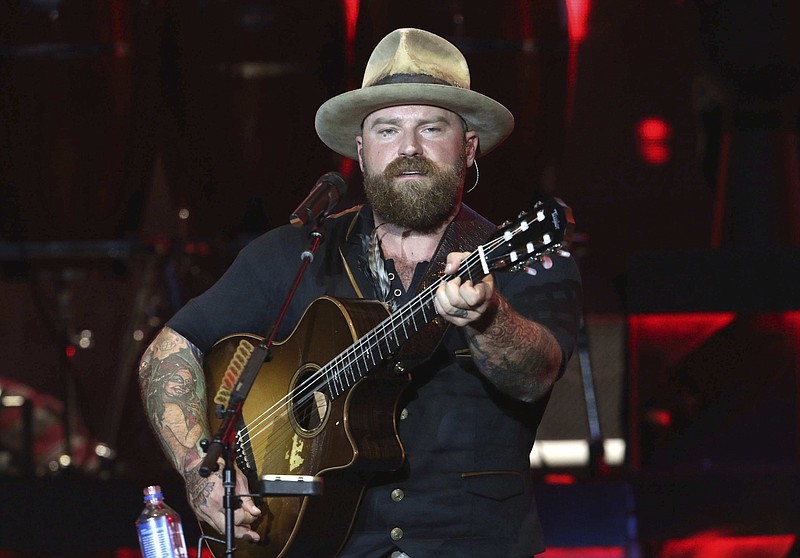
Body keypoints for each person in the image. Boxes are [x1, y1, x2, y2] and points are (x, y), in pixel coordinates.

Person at [138, 28, 582, 558]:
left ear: (468, 149)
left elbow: (534, 376)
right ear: (361, 149)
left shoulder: (519, 257)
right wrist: (199, 469)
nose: (409, 149)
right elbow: (169, 350)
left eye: (432, 128)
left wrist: (487, 319)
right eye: (388, 129)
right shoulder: (296, 252)